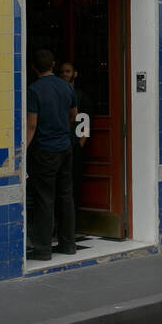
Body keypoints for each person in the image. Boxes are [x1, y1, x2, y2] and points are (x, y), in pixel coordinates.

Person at [26, 48, 77, 260]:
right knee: (66, 196)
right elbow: (73, 115)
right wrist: (62, 129)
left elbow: (32, 125)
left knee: (44, 199)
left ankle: (43, 249)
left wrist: (23, 149)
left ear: (33, 68)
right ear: (53, 65)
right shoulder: (66, 87)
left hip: (45, 150)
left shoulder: (34, 90)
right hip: (65, 147)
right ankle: (68, 244)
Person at [60, 61, 88, 235]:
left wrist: (80, 144)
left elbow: (85, 121)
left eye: (68, 71)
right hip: (61, 143)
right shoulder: (58, 93)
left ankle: (73, 226)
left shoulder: (80, 96)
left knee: (73, 186)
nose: (65, 74)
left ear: (75, 74)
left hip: (73, 145)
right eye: (62, 71)